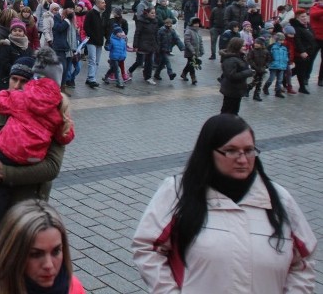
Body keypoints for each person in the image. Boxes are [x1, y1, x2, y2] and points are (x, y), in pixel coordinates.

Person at [132, 114, 317, 293]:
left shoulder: (279, 198)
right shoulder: (178, 192)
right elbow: (148, 247)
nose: (243, 159)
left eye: (249, 150)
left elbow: (303, 260)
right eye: (231, 151)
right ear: (209, 152)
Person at [0, 55, 66, 238]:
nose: (17, 86)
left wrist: (6, 173)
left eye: (24, 81)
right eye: (14, 79)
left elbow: (52, 167)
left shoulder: (50, 117)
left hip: (26, 207)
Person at [0, 199, 85, 294]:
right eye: (35, 254)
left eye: (56, 251)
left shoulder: (73, 287)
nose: (48, 265)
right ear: (12, 254)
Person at [219, 37, 255, 115]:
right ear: (236, 46)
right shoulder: (231, 59)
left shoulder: (239, 56)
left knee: (233, 111)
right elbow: (231, 76)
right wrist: (248, 72)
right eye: (242, 46)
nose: (245, 47)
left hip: (236, 89)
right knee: (228, 111)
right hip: (232, 89)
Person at [130, 6, 159, 85]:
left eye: (154, 13)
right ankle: (130, 71)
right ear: (147, 13)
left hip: (151, 44)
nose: (153, 15)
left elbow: (156, 34)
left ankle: (148, 77)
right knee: (139, 61)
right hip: (142, 44)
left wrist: (157, 45)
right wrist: (135, 45)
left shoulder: (155, 21)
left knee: (150, 62)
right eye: (152, 13)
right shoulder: (141, 21)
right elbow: (137, 33)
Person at [83, 0, 107, 88]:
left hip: (99, 41)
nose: (104, 4)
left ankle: (90, 78)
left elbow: (104, 28)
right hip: (92, 41)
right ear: (97, 4)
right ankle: (92, 78)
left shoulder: (102, 14)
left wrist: (105, 37)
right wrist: (92, 36)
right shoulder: (91, 13)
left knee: (96, 61)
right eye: (103, 3)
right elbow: (86, 27)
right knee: (92, 60)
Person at [263, 32, 289, 99]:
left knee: (280, 79)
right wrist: (269, 62)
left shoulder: (285, 47)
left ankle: (278, 92)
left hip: (282, 65)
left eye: (282, 40)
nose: (281, 41)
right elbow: (267, 55)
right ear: (277, 40)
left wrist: (286, 61)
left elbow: (287, 55)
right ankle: (265, 87)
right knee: (271, 79)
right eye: (280, 40)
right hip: (274, 65)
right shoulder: (272, 46)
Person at [180, 17, 204, 85]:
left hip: (196, 52)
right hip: (190, 52)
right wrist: (192, 50)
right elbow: (187, 42)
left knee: (189, 64)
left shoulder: (198, 32)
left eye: (197, 23)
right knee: (192, 65)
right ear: (191, 24)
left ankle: (183, 73)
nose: (196, 25)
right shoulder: (188, 31)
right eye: (195, 23)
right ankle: (193, 78)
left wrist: (202, 50)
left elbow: (200, 42)